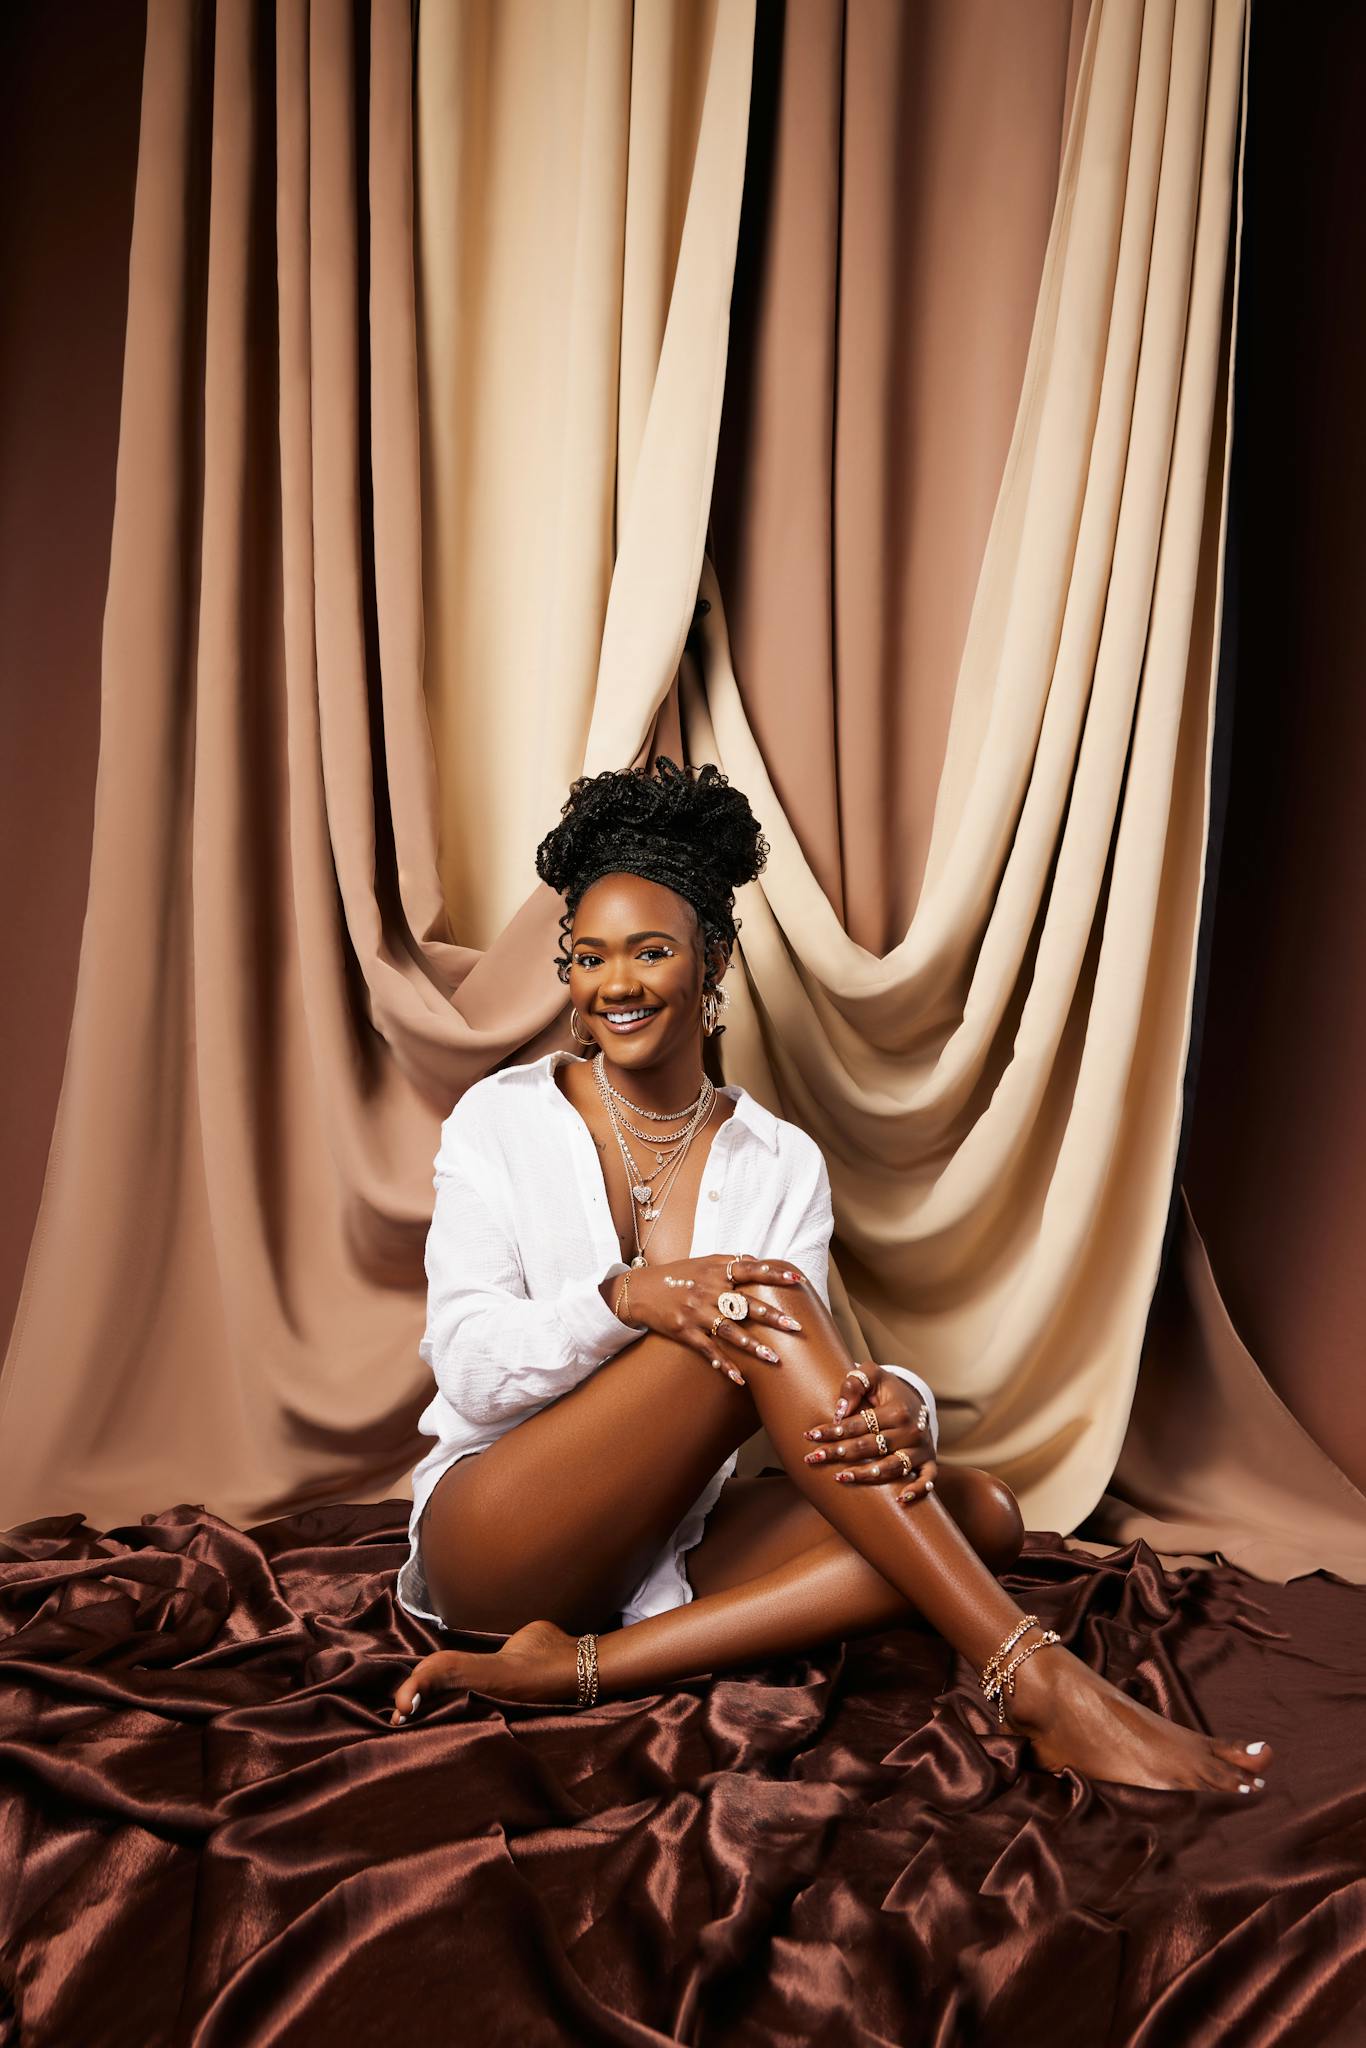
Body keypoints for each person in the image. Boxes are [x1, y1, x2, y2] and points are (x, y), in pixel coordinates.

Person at [390, 756, 1273, 1798]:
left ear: (712, 960)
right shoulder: (500, 1120)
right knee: (754, 1303)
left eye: (651, 950)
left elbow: (805, 1392)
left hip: (664, 1542)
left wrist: (897, 1403)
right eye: (589, 957)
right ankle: (1037, 1680)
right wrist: (626, 1300)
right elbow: (469, 1362)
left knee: (981, 1512)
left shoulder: (780, 1161)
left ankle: (583, 1666)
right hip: (496, 1539)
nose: (615, 984)